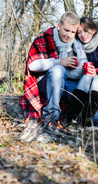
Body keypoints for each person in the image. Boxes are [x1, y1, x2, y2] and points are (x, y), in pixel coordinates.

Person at [19, 11, 89, 142]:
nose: (69, 35)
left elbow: (82, 68)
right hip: (46, 84)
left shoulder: (77, 45)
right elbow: (32, 66)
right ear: (58, 26)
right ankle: (51, 117)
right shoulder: (44, 38)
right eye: (66, 30)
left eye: (73, 32)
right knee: (58, 70)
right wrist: (59, 62)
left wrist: (83, 69)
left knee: (83, 101)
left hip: (68, 83)